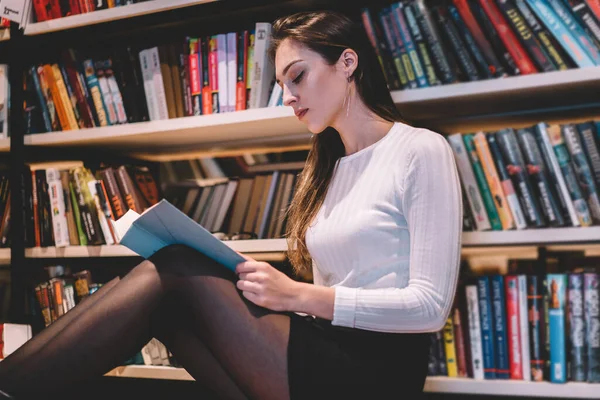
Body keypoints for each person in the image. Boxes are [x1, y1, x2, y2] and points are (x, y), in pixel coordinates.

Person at [0, 9, 462, 400]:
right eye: (283, 84)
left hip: (374, 371)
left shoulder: (420, 150)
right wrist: (269, 290)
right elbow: (336, 291)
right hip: (324, 345)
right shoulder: (332, 168)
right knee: (171, 298)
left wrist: (296, 295)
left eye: (297, 76)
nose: (289, 97)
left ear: (347, 62)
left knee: (178, 266)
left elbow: (428, 308)